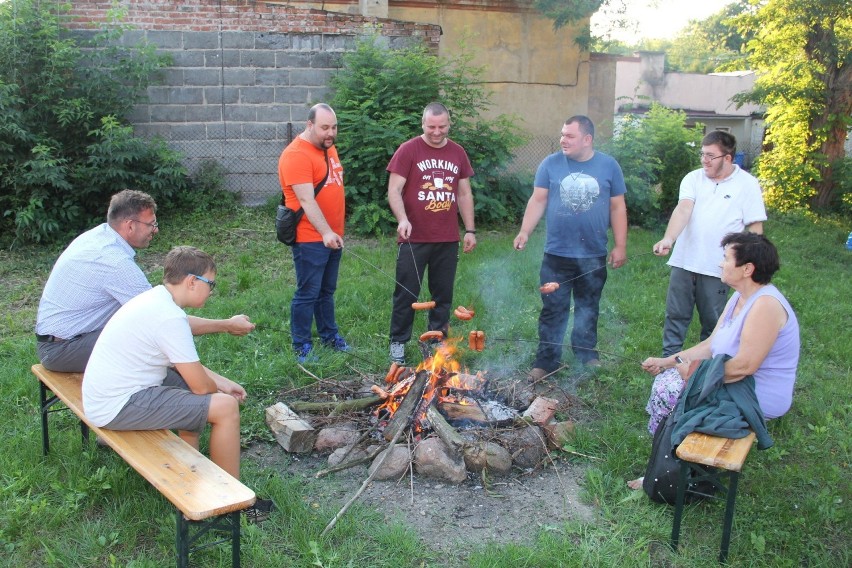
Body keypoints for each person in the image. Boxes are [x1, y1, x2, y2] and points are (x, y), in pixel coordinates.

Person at [82, 246, 274, 519]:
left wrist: (221, 381)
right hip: (117, 405)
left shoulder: (157, 299)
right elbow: (199, 387)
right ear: (192, 281)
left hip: (106, 395)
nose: (212, 290)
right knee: (224, 408)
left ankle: (190, 473)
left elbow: (182, 351)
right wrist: (218, 390)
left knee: (199, 394)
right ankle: (231, 502)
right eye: (211, 283)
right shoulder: (169, 318)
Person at [629, 232, 800, 489]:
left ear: (747, 269)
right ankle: (669, 461)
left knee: (672, 391)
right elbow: (711, 346)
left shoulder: (765, 305)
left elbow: (745, 366)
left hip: (756, 393)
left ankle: (673, 472)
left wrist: (697, 375)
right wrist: (668, 362)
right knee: (666, 381)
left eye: (726, 258)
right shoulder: (740, 296)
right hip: (736, 381)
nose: (720, 263)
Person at [35, 189, 255, 373]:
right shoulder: (113, 262)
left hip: (67, 339)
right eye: (151, 224)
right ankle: (182, 399)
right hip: (63, 350)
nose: (155, 230)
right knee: (156, 342)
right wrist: (226, 325)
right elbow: (164, 320)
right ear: (130, 225)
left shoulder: (99, 237)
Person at [514, 115, 628, 378]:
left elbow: (617, 206)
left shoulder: (608, 166)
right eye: (562, 134)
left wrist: (620, 245)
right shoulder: (550, 163)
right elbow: (538, 200)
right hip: (556, 253)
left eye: (570, 136)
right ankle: (545, 362)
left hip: (593, 253)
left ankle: (587, 354)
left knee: (588, 306)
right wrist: (524, 231)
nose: (563, 140)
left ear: (587, 139)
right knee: (553, 307)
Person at [652, 131, 766, 357]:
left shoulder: (748, 184)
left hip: (720, 268)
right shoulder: (693, 178)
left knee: (714, 322)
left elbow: (755, 227)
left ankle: (709, 368)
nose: (704, 160)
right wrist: (669, 238)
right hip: (684, 262)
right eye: (702, 154)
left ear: (728, 158)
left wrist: (753, 263)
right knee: (675, 316)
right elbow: (684, 209)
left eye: (710, 156)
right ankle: (668, 365)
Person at [386, 102, 476, 365]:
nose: (436, 132)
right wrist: (402, 219)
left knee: (442, 295)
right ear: (422, 124)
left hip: (447, 238)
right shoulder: (408, 150)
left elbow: (464, 193)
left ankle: (437, 339)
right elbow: (394, 191)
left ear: (449, 124)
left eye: (442, 126)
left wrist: (469, 229)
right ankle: (398, 342)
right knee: (406, 292)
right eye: (431, 126)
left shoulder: (457, 152)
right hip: (414, 237)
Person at [278, 103, 348, 363]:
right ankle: (302, 346)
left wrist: (335, 231)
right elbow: (307, 201)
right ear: (309, 125)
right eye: (324, 128)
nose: (330, 133)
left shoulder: (328, 148)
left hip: (332, 235)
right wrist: (326, 232)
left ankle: (330, 337)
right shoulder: (296, 155)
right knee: (308, 292)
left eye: (334, 127)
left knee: (326, 292)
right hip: (310, 237)